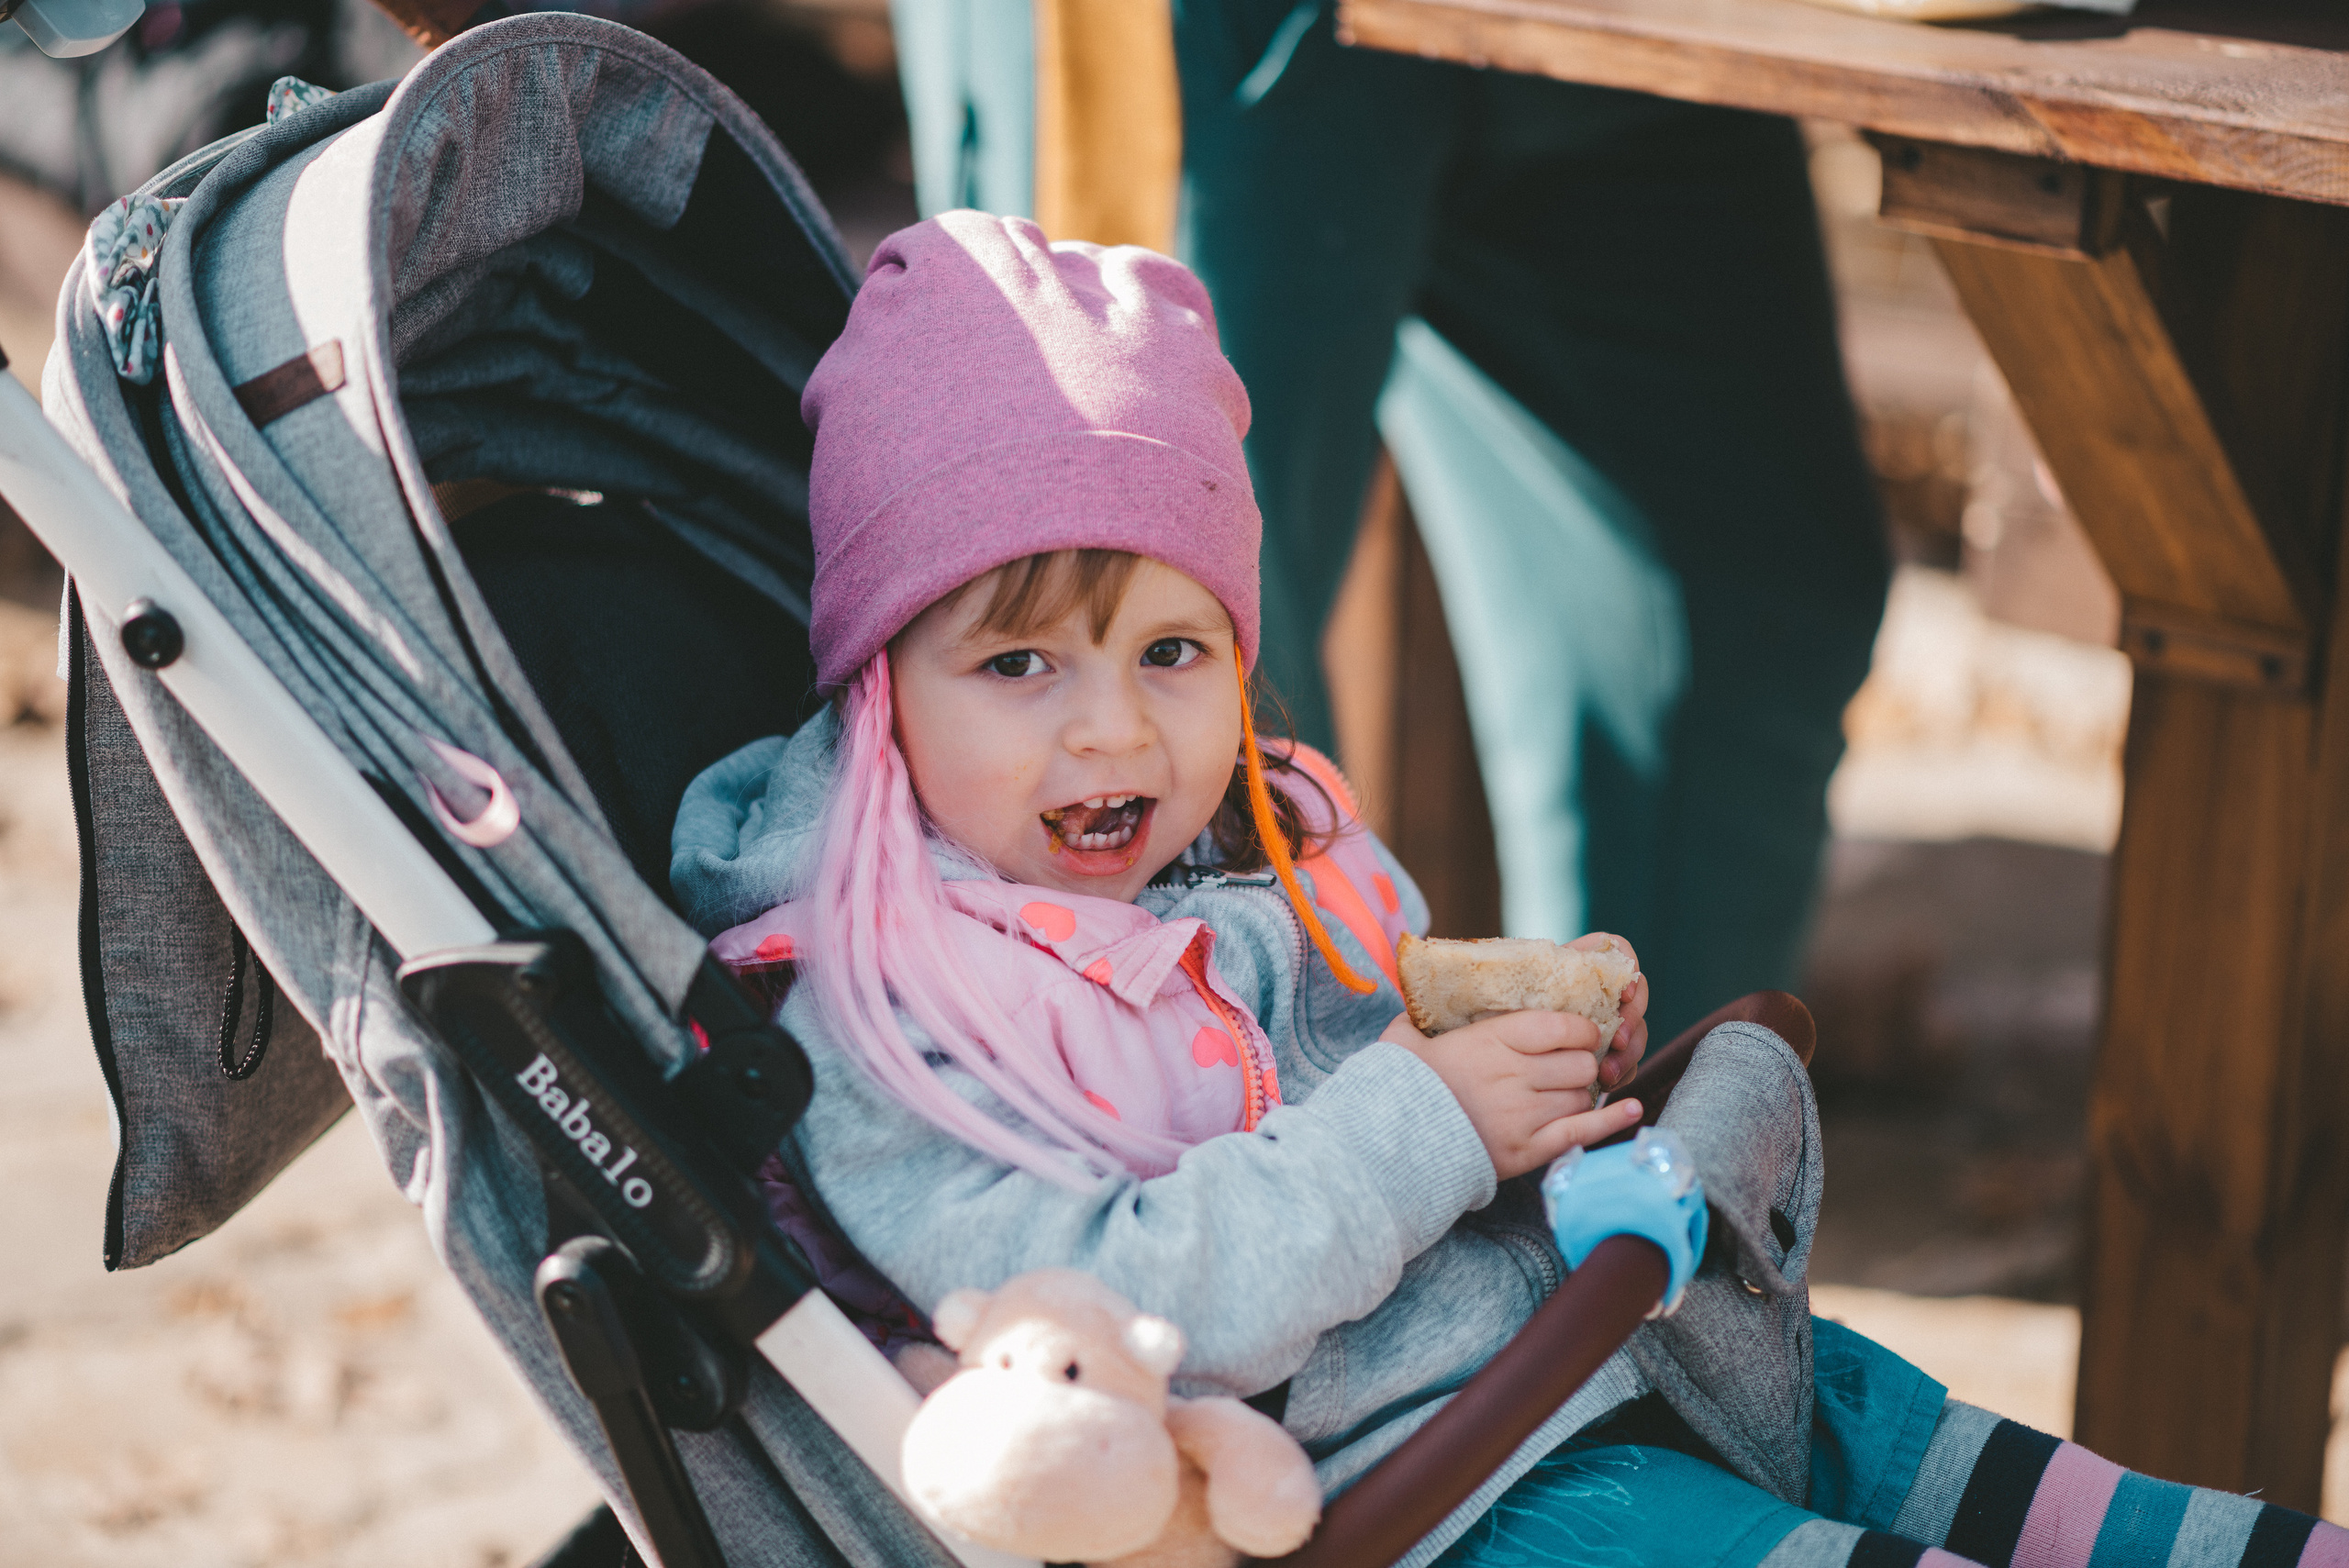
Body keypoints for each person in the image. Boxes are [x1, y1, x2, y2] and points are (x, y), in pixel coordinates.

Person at [673, 213, 2344, 1568]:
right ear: (881, 687)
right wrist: (1429, 1120)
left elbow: (1402, 1073)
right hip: (1439, 1497)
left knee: (1981, 1466)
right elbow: (1122, 1311)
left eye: (1174, 650)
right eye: (1019, 659)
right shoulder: (863, 1007)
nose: (1114, 723)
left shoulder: (1242, 839)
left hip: (1581, 1356)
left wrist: (1531, 1086)